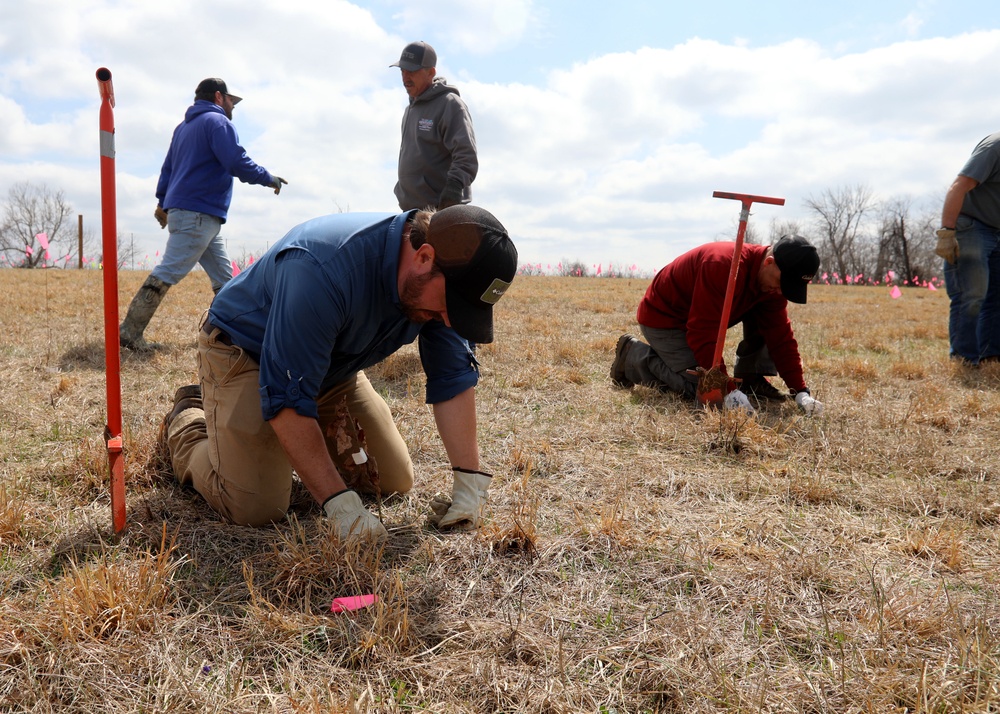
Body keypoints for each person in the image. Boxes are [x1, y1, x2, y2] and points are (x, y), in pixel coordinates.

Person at [159, 205, 517, 541]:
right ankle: (190, 418)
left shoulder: (440, 286)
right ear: (424, 258)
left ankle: (261, 439)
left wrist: (469, 483)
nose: (452, 320)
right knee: (256, 505)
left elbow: (453, 379)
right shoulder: (322, 267)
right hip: (245, 354)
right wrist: (339, 505)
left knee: (390, 479)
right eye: (451, 306)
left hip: (331, 366)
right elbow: (287, 398)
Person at [119, 77, 288, 351]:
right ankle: (129, 332)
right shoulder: (218, 122)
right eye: (232, 100)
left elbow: (168, 170)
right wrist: (268, 177)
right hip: (199, 213)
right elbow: (235, 161)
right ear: (220, 97)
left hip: (194, 214)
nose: (233, 106)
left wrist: (163, 202)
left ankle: (234, 337)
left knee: (226, 281)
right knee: (168, 271)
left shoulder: (183, 128)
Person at [610, 235, 825, 415]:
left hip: (696, 320)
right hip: (665, 319)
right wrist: (727, 390)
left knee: (767, 318)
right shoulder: (722, 266)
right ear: (769, 263)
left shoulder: (771, 285)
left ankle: (751, 379)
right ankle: (633, 356)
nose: (780, 292)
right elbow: (702, 333)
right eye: (781, 284)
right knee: (703, 388)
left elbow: (780, 337)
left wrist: (800, 391)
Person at [936, 130, 1000, 365]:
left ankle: (991, 356)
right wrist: (947, 232)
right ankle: (964, 359)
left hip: (997, 230)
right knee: (972, 295)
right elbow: (959, 185)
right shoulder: (995, 146)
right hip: (972, 226)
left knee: (996, 298)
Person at [390, 41, 478, 211]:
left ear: (431, 72)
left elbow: (466, 155)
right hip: (411, 211)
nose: (405, 78)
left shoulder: (450, 104)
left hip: (440, 211)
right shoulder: (410, 109)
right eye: (403, 71)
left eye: (412, 71)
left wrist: (453, 188)